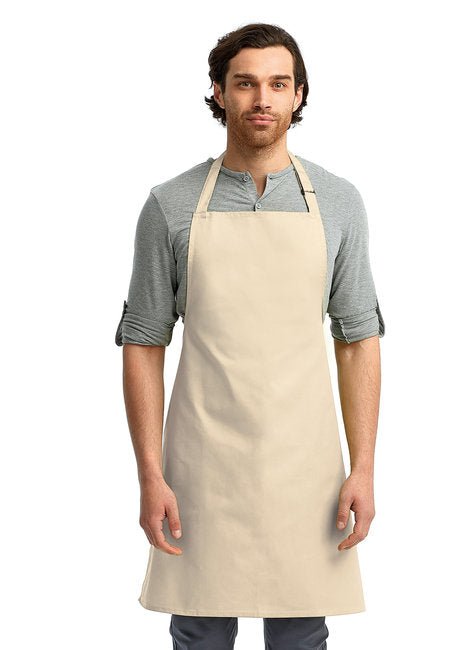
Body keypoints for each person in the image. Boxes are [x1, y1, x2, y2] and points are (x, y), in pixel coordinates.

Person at [115, 22, 385, 650]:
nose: (262, 98)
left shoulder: (339, 203)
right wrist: (150, 474)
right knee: (200, 633)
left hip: (306, 469)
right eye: (245, 83)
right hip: (201, 467)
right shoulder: (170, 204)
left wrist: (364, 467)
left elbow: (358, 341)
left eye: (278, 84)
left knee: (301, 635)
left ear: (298, 95)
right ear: (219, 92)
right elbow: (143, 343)